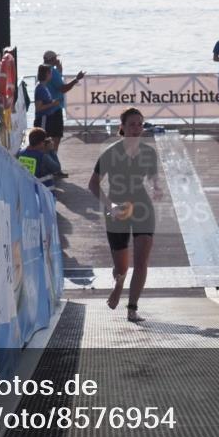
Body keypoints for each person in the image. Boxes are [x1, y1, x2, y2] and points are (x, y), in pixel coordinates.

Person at [88, 108, 162, 323]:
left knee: (141, 261)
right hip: (116, 208)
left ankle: (132, 308)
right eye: (132, 124)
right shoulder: (111, 152)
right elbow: (93, 184)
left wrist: (157, 187)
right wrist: (109, 205)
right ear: (122, 127)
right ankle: (118, 283)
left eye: (140, 124)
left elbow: (153, 177)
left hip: (142, 207)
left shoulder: (149, 153)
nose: (137, 128)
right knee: (122, 266)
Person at [42, 50, 85, 173]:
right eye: (55, 58)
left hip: (48, 109)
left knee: (50, 137)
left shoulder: (44, 70)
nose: (57, 60)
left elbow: (54, 81)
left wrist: (59, 70)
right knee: (55, 138)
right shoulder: (52, 71)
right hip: (54, 109)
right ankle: (53, 166)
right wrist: (76, 79)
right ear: (52, 59)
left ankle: (51, 164)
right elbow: (63, 88)